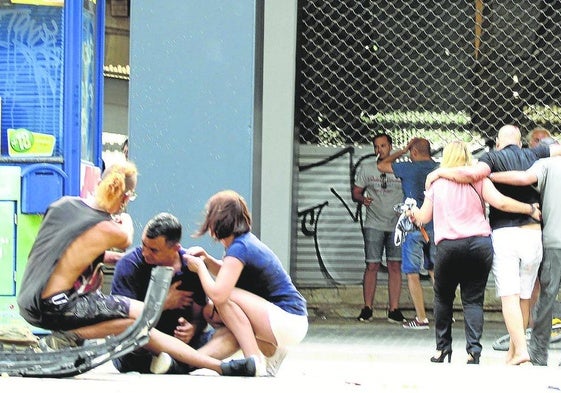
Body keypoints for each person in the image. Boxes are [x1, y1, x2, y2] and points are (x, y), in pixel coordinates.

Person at [16, 162, 257, 377]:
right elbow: (126, 237)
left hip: (30, 301)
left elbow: (66, 253)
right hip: (59, 305)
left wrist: (108, 258)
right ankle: (73, 335)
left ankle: (216, 366)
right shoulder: (109, 227)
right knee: (145, 313)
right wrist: (124, 218)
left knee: (131, 324)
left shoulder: (63, 206)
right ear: (125, 198)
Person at [425, 124, 561, 365]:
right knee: (526, 295)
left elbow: (470, 175)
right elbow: (557, 150)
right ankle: (513, 352)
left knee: (509, 294)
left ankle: (521, 352)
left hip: (505, 234)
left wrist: (438, 173)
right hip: (532, 233)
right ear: (521, 143)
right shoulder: (534, 154)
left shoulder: (491, 158)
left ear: (498, 142)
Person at [184, 190, 309, 376]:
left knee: (223, 298)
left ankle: (254, 360)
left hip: (288, 318)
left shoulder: (240, 247)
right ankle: (271, 352)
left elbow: (219, 293)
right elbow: (228, 273)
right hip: (289, 322)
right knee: (212, 312)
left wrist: (200, 269)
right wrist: (208, 260)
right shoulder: (241, 244)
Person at [111, 212, 239, 374]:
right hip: (142, 348)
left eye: (154, 250)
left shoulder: (191, 266)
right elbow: (120, 321)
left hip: (183, 346)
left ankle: (180, 364)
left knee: (234, 333)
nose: (145, 253)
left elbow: (200, 317)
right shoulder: (129, 265)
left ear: (175, 248)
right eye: (143, 245)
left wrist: (193, 328)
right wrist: (162, 303)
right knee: (133, 340)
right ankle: (180, 362)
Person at [489, 137, 561, 366]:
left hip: (553, 241)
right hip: (545, 242)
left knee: (547, 298)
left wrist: (490, 175)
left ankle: (537, 353)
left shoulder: (547, 165)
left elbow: (522, 178)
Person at [378, 137, 438, 330]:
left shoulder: (407, 168)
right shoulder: (438, 168)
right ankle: (443, 315)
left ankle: (421, 318)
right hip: (436, 227)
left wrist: (402, 150)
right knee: (435, 271)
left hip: (413, 227)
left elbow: (382, 165)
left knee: (412, 272)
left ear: (414, 152)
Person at [353, 133, 406, 323]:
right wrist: (362, 199)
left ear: (390, 146)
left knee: (395, 265)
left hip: (396, 225)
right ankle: (367, 308)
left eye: (383, 146)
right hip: (373, 224)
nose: (379, 150)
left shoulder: (401, 169)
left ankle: (394, 309)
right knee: (372, 265)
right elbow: (356, 192)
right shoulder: (367, 169)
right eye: (376, 146)